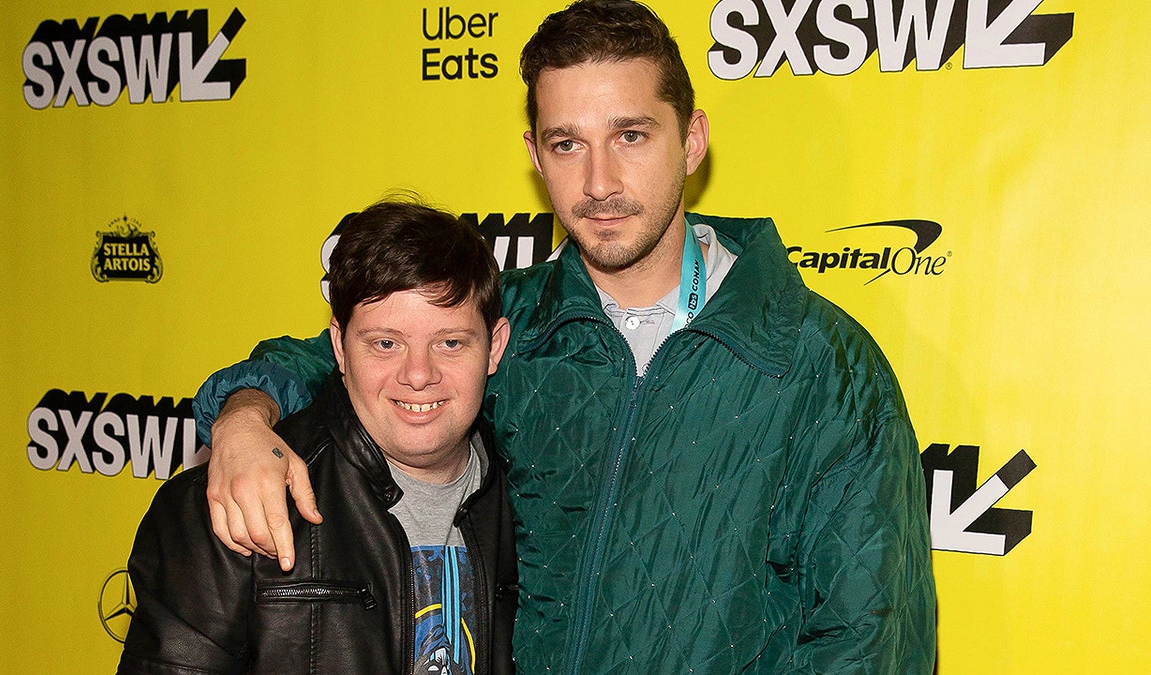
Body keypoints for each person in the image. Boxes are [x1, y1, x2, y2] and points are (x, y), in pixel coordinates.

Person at [194, 1, 937, 672]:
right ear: (534, 154)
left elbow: (869, 641)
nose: (600, 181)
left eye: (631, 135)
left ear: (694, 139)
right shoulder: (506, 327)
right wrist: (244, 412)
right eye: (567, 144)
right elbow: (355, 352)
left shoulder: (818, 361)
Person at [119, 199, 518, 674]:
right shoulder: (233, 504)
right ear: (339, 348)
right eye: (385, 343)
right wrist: (245, 411)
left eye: (450, 343)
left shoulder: (535, 502)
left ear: (494, 347)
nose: (418, 375)